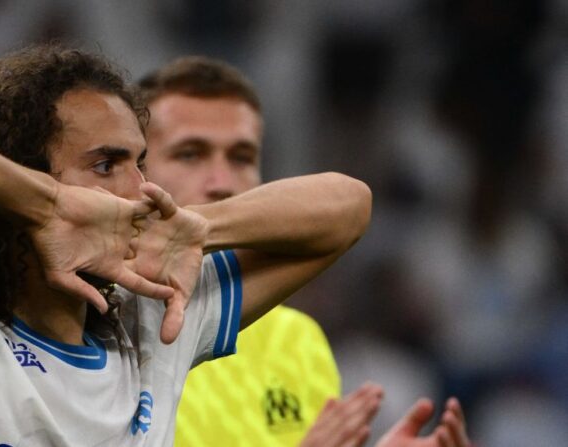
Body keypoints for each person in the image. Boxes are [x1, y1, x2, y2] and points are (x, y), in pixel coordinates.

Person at [0, 44, 372, 446]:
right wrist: (46, 205)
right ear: (20, 174)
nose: (140, 191)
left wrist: (203, 226)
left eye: (142, 164)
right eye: (105, 165)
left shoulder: (156, 324)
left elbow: (348, 207)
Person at [139, 56, 471, 447]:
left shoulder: (298, 340)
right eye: (190, 153)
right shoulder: (109, 324)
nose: (222, 182)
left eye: (242, 157)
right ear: (138, 172)